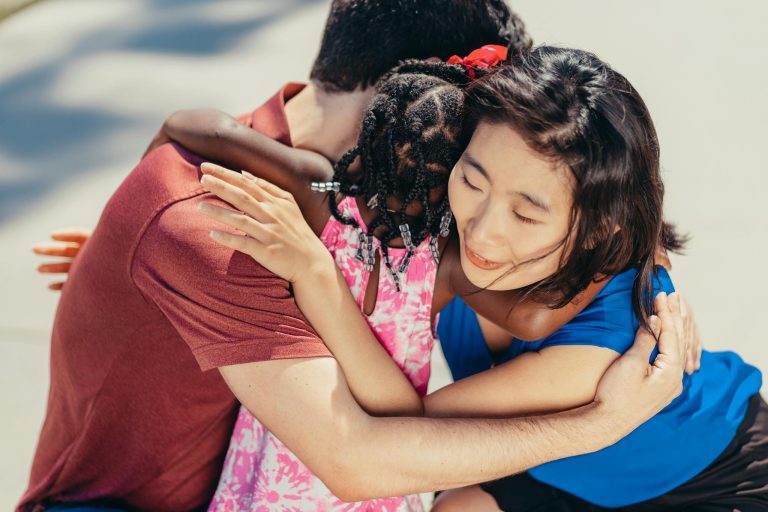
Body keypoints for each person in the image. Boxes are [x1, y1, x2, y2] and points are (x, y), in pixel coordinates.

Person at [19, 2, 688, 511]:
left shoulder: (345, 197)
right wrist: (604, 420)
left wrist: (650, 289)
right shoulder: (228, 215)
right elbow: (357, 456)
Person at [191, 47, 764, 511]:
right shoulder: (463, 189)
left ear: (598, 225)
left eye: (526, 214)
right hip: (563, 476)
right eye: (474, 179)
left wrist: (318, 278)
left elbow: (404, 436)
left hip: (713, 480)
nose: (482, 235)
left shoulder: (603, 351)